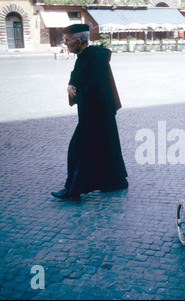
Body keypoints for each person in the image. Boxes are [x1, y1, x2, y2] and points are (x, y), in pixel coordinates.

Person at [51, 24, 128, 200]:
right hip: (95, 113)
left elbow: (96, 86)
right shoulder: (85, 55)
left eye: (67, 40)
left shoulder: (94, 57)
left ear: (78, 41)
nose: (65, 44)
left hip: (97, 113)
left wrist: (77, 91)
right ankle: (114, 181)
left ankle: (74, 188)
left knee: (78, 149)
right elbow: (77, 75)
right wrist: (71, 85)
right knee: (106, 147)